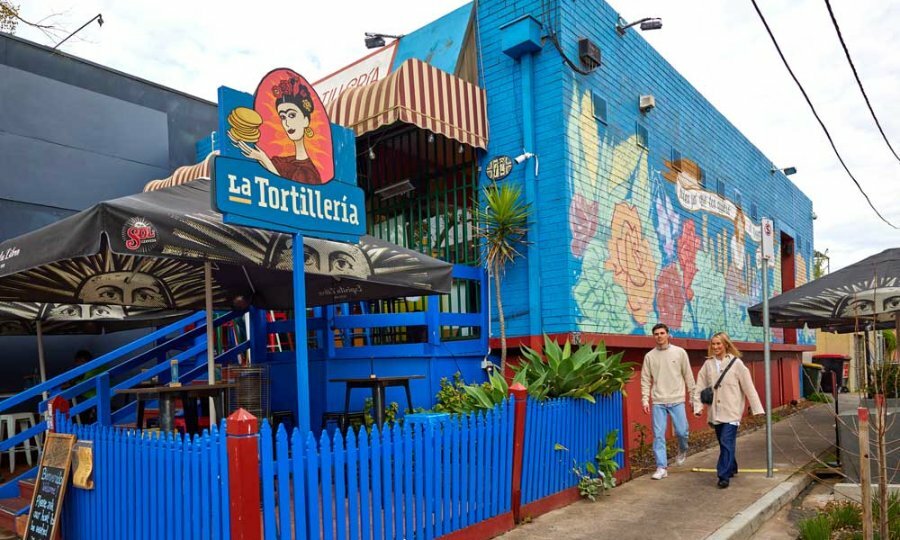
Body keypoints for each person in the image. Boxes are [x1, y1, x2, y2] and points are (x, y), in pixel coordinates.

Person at [693, 332, 764, 489]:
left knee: (726, 440)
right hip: (715, 412)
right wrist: (697, 407)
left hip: (732, 411)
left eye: (719, 343)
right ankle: (732, 466)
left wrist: (757, 409)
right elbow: (699, 387)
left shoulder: (736, 364)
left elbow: (748, 386)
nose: (716, 347)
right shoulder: (708, 365)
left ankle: (723, 476)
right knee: (724, 443)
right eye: (713, 344)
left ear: (726, 345)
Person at [234, 78, 322, 184]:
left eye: (292, 115)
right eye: (283, 117)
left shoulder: (309, 173)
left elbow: (287, 190)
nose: (287, 123)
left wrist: (263, 158)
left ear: (306, 120)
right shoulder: (282, 162)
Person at [641, 323, 697, 480]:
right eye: (656, 334)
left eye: (662, 333)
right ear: (654, 336)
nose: (659, 336)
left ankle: (683, 449)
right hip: (658, 400)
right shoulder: (649, 357)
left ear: (668, 334)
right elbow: (645, 380)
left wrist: (693, 396)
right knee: (658, 435)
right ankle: (661, 467)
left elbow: (688, 375)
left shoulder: (679, 353)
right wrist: (645, 399)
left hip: (677, 399)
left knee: (682, 431)